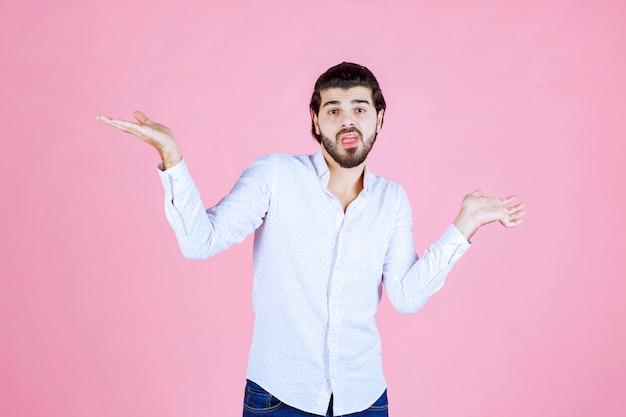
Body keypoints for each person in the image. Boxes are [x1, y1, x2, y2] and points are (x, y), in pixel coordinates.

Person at [97, 62, 525, 417]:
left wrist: (463, 226)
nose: (347, 121)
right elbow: (199, 242)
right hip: (278, 398)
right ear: (315, 122)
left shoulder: (392, 200)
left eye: (359, 109)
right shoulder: (275, 176)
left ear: (380, 118)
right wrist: (171, 157)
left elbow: (406, 296)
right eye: (333, 110)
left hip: (365, 400)